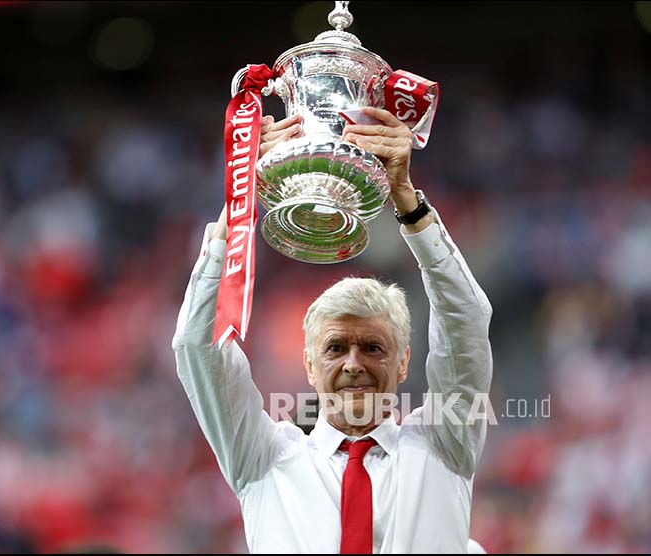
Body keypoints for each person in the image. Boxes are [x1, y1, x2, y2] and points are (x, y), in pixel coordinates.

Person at [173, 107, 493, 553]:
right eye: (336, 348)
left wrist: (406, 199)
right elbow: (197, 346)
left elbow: (466, 325)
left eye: (374, 348)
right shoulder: (265, 459)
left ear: (403, 361)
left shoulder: (443, 446)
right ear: (308, 365)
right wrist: (245, 194)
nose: (354, 363)